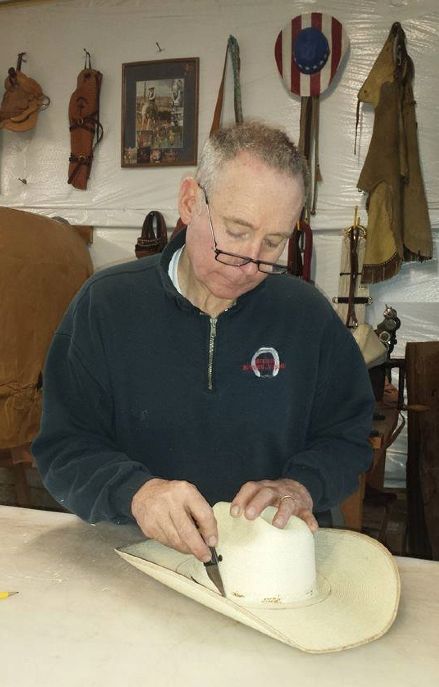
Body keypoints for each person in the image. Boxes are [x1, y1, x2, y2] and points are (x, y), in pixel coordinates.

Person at [32, 121, 375, 565]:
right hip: (136, 555)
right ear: (191, 201)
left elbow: (348, 436)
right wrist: (137, 493)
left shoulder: (307, 316)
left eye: (273, 242)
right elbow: (63, 450)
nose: (251, 262)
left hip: (273, 562)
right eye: (235, 230)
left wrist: (302, 484)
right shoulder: (105, 306)